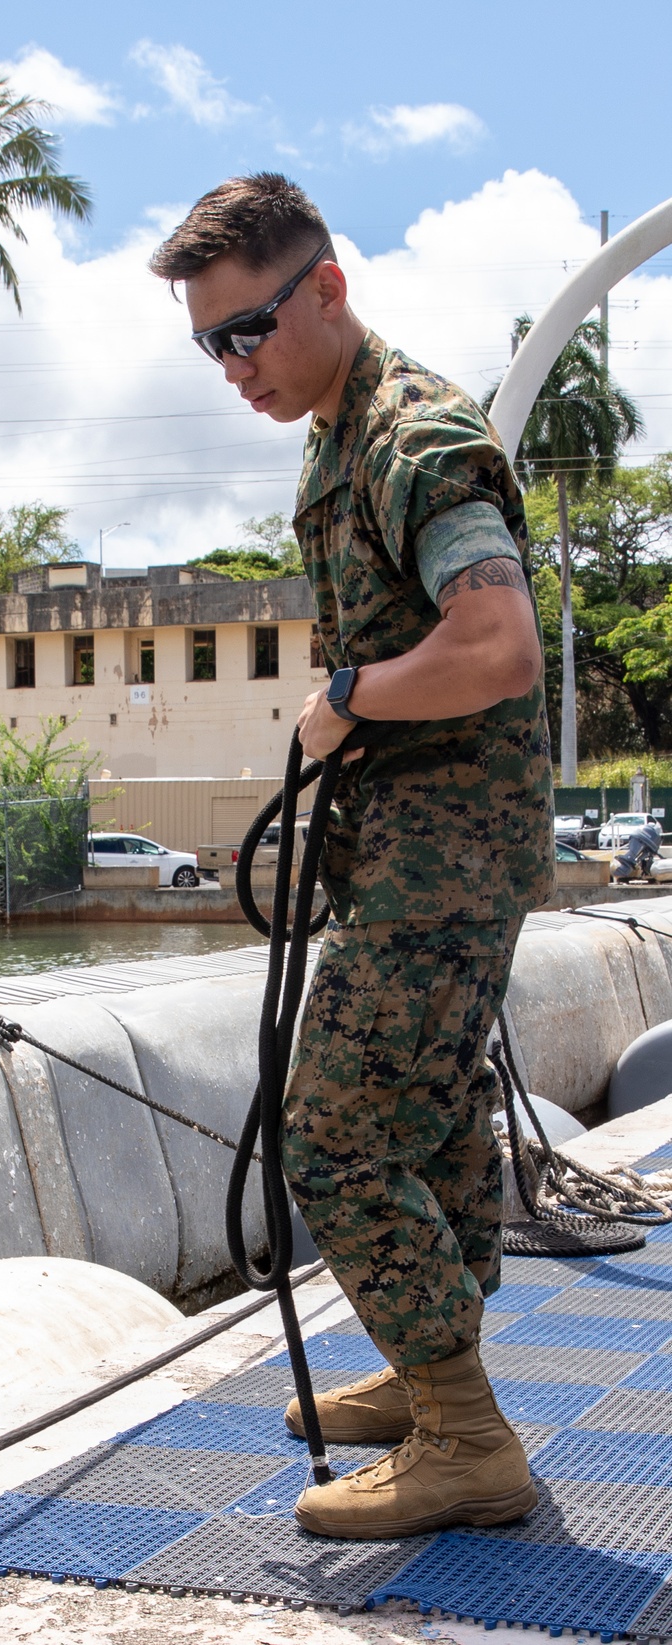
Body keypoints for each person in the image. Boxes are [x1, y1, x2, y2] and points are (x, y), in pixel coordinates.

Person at [150, 173, 554, 1540]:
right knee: (433, 1125)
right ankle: (435, 1377)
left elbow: (498, 645)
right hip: (417, 854)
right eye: (211, 343)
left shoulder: (414, 436)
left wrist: (350, 701)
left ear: (327, 287)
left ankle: (467, 1436)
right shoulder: (334, 440)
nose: (233, 365)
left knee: (329, 1136)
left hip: (447, 862)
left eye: (249, 328)